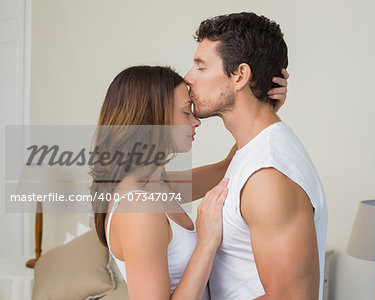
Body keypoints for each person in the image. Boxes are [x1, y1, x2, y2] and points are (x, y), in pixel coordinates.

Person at [90, 65, 288, 299]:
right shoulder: (138, 210)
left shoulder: (157, 185)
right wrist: (206, 243)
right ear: (151, 120)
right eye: (186, 112)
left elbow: (226, 168)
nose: (196, 122)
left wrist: (263, 110)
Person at [184, 12, 328, 299]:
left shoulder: (268, 175)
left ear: (240, 75)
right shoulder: (252, 152)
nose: (188, 77)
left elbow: (292, 298)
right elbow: (216, 171)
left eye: (200, 67)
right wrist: (263, 108)